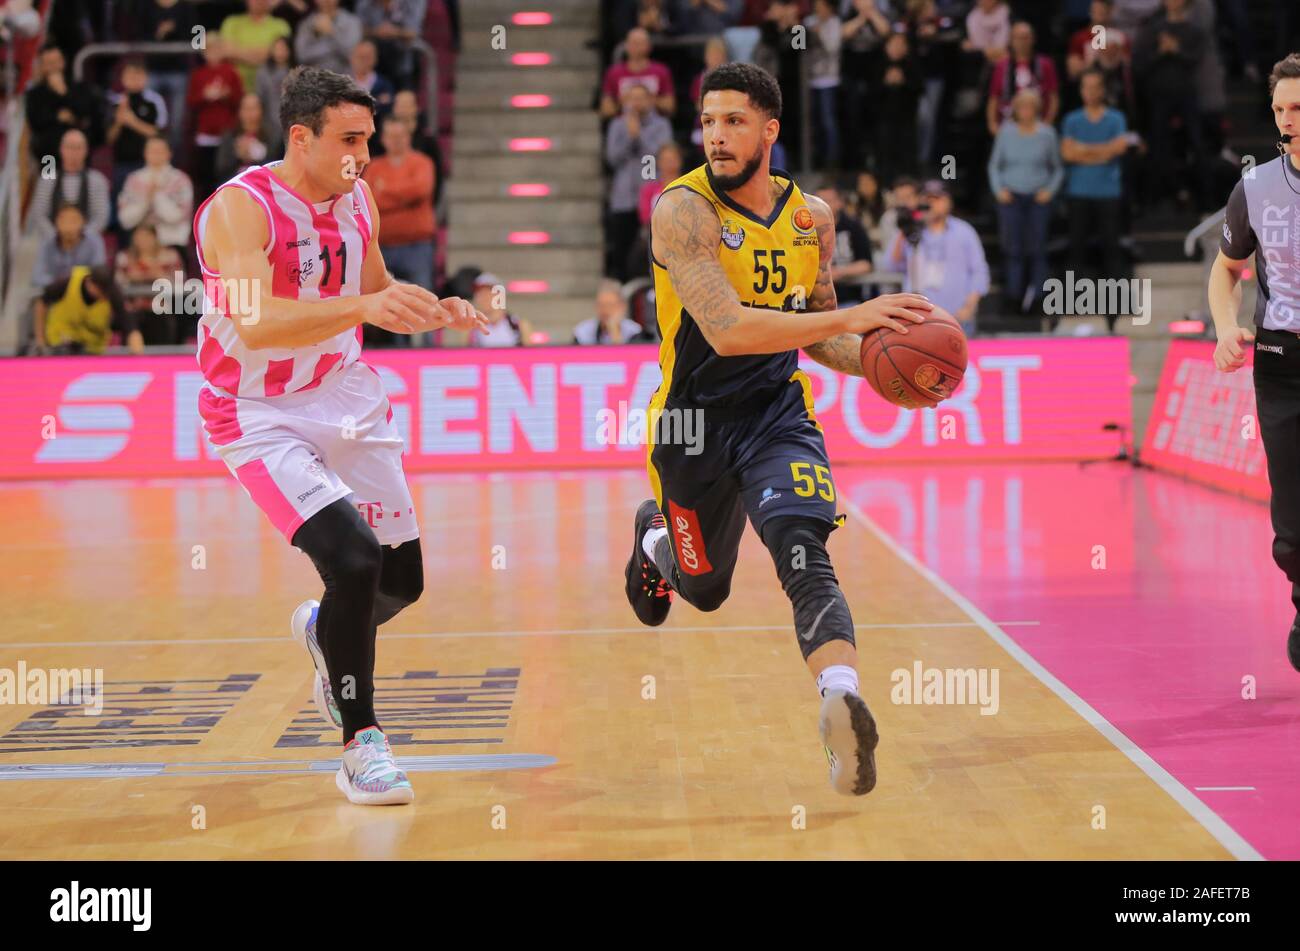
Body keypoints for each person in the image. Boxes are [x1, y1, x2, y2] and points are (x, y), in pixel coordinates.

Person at [629, 62, 937, 796]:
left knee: (803, 545)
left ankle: (839, 696)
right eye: (707, 121)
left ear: (770, 129)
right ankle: (654, 535)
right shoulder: (682, 210)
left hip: (776, 416)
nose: (716, 135)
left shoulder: (813, 219)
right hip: (694, 429)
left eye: (733, 121)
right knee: (704, 592)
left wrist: (885, 365)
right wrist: (849, 318)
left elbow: (818, 338)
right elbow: (730, 329)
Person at [193, 65, 486, 805]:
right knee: (353, 560)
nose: (366, 152)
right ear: (301, 137)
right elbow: (257, 322)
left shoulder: (358, 196)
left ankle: (327, 635)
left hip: (344, 392)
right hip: (258, 410)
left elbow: (375, 287)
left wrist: (429, 309)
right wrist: (367, 306)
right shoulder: (239, 210)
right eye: (351, 139)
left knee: (403, 579)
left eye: (369, 136)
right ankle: (361, 742)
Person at [1211, 54, 1300, 672]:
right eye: (1280, 109)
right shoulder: (1257, 185)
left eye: (1298, 108)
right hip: (1282, 361)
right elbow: (1226, 271)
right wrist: (1223, 327)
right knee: (1292, 533)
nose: (1288, 119)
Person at [1060, 69, 1129, 330]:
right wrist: (1102, 152)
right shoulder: (1072, 119)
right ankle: (1072, 307)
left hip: (1108, 194)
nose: (1090, 92)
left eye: (1095, 87)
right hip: (1078, 193)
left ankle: (1116, 309)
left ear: (1102, 90)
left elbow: (1119, 148)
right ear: (1081, 91)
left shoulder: (1116, 117)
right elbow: (1067, 153)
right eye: (1086, 87)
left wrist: (1084, 151)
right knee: (1076, 251)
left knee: (1111, 251)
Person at [987, 88, 1062, 314]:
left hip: (1038, 198)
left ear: (1037, 109)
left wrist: (1050, 190)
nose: (1026, 111)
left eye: (1030, 106)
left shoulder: (1047, 134)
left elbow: (1057, 168)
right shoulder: (1006, 133)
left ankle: (1039, 299)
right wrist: (999, 189)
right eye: (1021, 107)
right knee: (1013, 248)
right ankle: (1013, 297)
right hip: (1011, 198)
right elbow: (994, 165)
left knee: (1038, 249)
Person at [887, 180, 988, 335]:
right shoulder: (911, 230)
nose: (932, 203)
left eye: (937, 199)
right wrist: (904, 227)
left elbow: (979, 272)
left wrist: (969, 307)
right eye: (928, 199)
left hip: (957, 316)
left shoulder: (964, 231)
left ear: (949, 202)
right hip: (918, 318)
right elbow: (891, 266)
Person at [362, 115, 436, 298]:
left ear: (408, 137)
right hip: (380, 247)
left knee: (423, 301)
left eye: (400, 136)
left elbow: (420, 190)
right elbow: (368, 201)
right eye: (391, 136)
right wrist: (405, 198)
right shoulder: (374, 167)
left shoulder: (422, 163)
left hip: (416, 246)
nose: (396, 141)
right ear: (383, 138)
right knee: (376, 304)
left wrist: (384, 190)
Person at [605, 83, 673, 281]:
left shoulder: (661, 125)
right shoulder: (618, 125)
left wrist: (639, 135)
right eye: (631, 98)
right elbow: (612, 157)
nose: (636, 102)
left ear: (650, 100)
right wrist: (629, 138)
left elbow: (662, 156)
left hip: (651, 196)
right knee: (622, 250)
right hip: (624, 198)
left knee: (652, 250)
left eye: (641, 97)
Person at [27, 128, 111, 242]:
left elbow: (101, 217)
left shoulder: (97, 180)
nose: (74, 152)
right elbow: (39, 214)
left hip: (87, 244)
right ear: (61, 149)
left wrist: (80, 238)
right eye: (70, 147)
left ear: (86, 150)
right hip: (52, 243)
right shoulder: (47, 180)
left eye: (78, 148)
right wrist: (57, 238)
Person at [187, 38, 245, 201]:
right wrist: (205, 96)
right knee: (205, 178)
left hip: (226, 134)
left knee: (225, 176)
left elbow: (239, 99)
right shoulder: (199, 74)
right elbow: (191, 102)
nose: (214, 53)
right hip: (205, 135)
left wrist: (226, 95)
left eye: (217, 49)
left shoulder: (231, 71)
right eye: (210, 50)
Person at [24, 44, 102, 161]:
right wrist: (57, 117)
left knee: (77, 179)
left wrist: (63, 93)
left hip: (77, 152)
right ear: (42, 66)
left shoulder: (79, 87)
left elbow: (85, 111)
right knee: (47, 178)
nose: (54, 67)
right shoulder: (35, 93)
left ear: (63, 62)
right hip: (48, 154)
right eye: (49, 63)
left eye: (56, 61)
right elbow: (35, 120)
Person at [118, 136, 195, 252]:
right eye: (152, 151)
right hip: (139, 246)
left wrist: (157, 195)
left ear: (169, 153)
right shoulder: (133, 179)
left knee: (177, 270)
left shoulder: (181, 180)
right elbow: (125, 220)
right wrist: (146, 200)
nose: (155, 154)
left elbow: (177, 217)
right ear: (144, 153)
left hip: (172, 244)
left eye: (160, 151)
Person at [115, 224, 185, 352]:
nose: (143, 240)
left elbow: (181, 284)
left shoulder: (170, 256)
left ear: (155, 237)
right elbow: (117, 285)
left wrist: (161, 276)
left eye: (147, 236)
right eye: (139, 236)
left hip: (162, 311)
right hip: (133, 312)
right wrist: (131, 278)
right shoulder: (124, 258)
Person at [32, 265, 124, 356]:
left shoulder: (112, 293)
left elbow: (126, 320)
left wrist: (133, 336)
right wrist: (40, 339)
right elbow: (42, 302)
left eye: (106, 292)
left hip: (93, 351)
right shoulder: (68, 283)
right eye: (101, 290)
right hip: (60, 346)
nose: (103, 296)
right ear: (90, 282)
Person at [815, 185, 874, 304]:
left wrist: (838, 272)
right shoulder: (805, 229)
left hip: (849, 298)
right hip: (816, 301)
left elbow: (866, 264)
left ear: (839, 202)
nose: (825, 206)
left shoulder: (854, 227)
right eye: (820, 201)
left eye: (829, 201)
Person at [600, 26, 675, 119]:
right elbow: (606, 110)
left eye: (640, 43)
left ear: (649, 46)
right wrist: (622, 102)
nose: (636, 47)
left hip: (654, 124)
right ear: (626, 45)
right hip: (624, 123)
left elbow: (670, 107)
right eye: (633, 43)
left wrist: (647, 100)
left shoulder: (661, 71)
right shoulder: (614, 72)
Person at [219, 0, 293, 93]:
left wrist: (239, 52)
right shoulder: (231, 22)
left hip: (272, 88)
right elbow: (226, 52)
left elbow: (280, 54)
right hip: (235, 89)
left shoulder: (281, 25)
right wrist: (264, 52)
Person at [215, 93, 278, 183]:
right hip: (235, 186)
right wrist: (238, 156)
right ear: (239, 111)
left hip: (262, 185)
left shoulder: (272, 136)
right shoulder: (230, 136)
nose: (249, 113)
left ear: (261, 110)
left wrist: (256, 155)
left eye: (253, 108)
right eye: (246, 108)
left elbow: (276, 167)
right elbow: (220, 170)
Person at [295, 0, 362, 75]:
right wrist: (332, 48)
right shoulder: (306, 24)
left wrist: (331, 32)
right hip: (314, 80)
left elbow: (351, 54)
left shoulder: (352, 22)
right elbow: (302, 56)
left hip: (343, 79)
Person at [465, 271, 532, 347]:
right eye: (479, 293)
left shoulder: (520, 325)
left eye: (488, 292)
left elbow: (528, 356)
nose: (483, 297)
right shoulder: (471, 329)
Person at [573, 280, 646, 344]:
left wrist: (615, 333)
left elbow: (630, 358)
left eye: (610, 305)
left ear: (622, 307)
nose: (605, 310)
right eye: (601, 305)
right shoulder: (583, 331)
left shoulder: (634, 331)